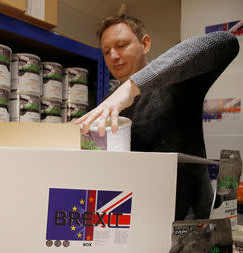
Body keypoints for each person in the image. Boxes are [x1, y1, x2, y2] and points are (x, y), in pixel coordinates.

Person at [75, 15, 239, 220]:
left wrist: (132, 86)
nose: (114, 56)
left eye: (121, 45)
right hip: (137, 221)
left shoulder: (177, 86)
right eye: (107, 51)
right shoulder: (109, 106)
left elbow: (225, 42)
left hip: (188, 226)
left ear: (145, 44)